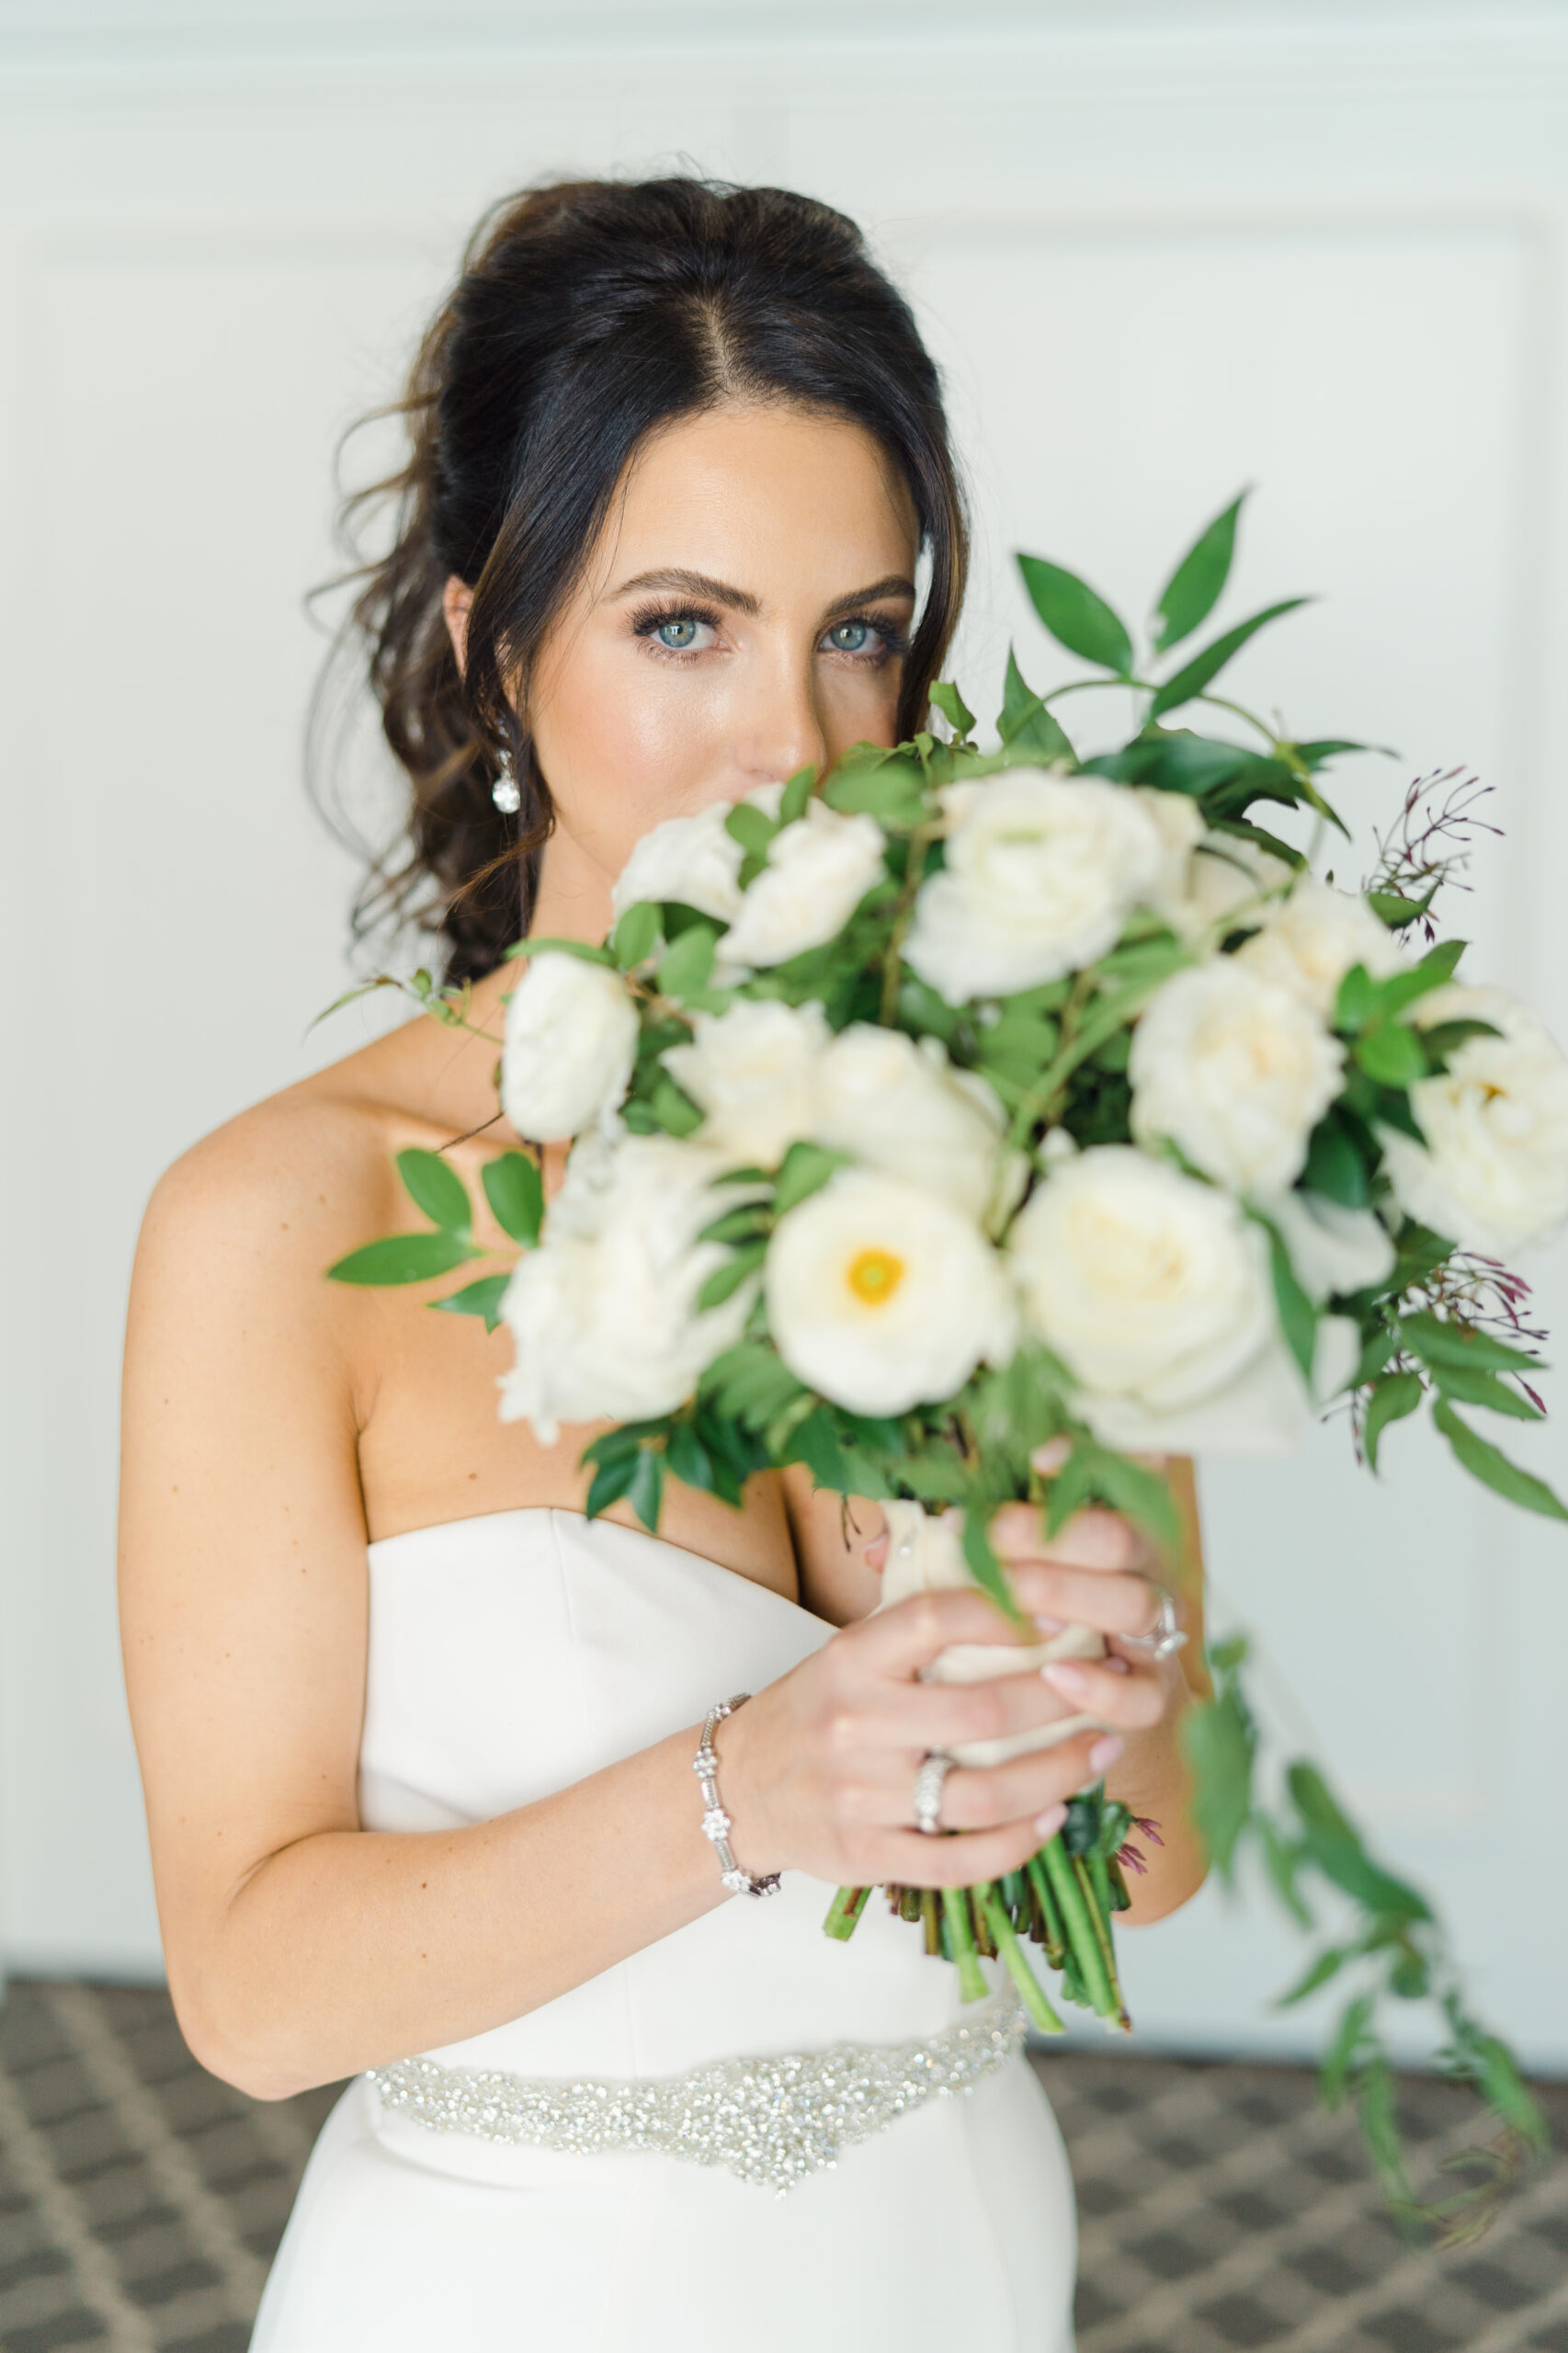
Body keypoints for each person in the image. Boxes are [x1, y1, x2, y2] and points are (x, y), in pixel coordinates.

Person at [119, 176, 1209, 2352]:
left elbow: (1155, 1854)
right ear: (486, 642)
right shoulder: (282, 1222)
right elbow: (250, 1991)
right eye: (682, 625)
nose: (793, 744)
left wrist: (1097, 1687)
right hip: (521, 2277)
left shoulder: (1021, 1144)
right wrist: (749, 1788)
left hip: (953, 2244)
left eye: (859, 629)